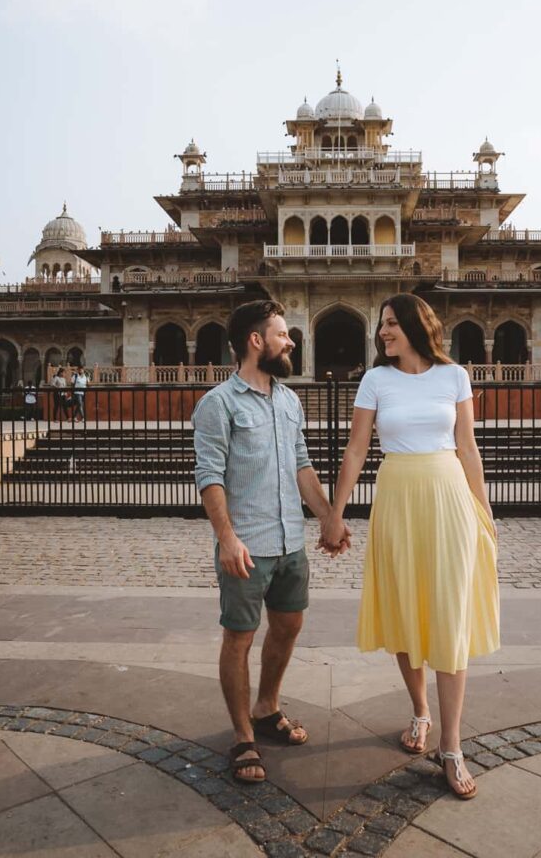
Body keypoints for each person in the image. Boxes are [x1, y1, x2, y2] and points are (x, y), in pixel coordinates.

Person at [322, 293, 499, 800]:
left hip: (448, 497)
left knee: (449, 614)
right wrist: (335, 513)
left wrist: (484, 512)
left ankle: (452, 745)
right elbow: (357, 448)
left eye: (392, 323)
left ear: (418, 327)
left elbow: (468, 447)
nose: (383, 332)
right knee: (406, 610)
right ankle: (421, 711)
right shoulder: (376, 380)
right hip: (397, 497)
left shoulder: (454, 376)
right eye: (382, 324)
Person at [192, 299, 351, 786]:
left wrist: (328, 518)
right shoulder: (219, 403)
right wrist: (226, 538)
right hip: (247, 544)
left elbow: (302, 465)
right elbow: (209, 476)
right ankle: (243, 736)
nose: (291, 343)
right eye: (283, 335)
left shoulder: (289, 401)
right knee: (239, 637)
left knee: (288, 626)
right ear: (256, 340)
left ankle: (266, 706)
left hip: (289, 542)